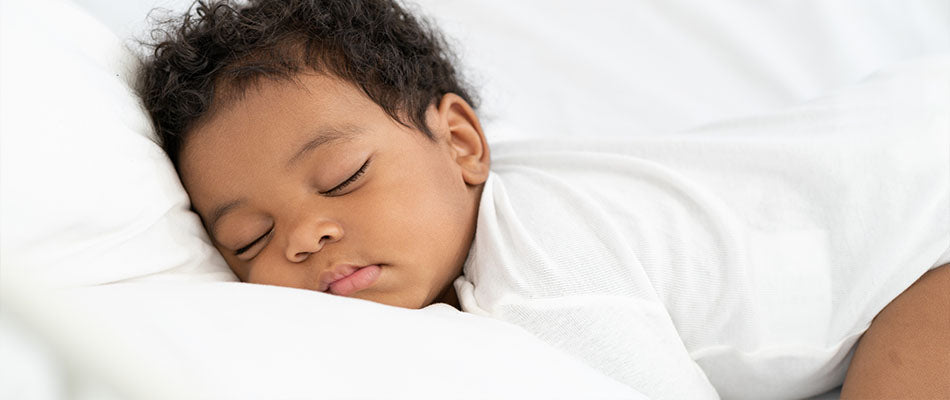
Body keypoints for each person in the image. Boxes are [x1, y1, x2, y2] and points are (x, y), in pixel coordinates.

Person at [137, 0, 950, 398]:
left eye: (343, 176)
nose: (306, 236)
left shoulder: (542, 258)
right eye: (249, 239)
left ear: (462, 145)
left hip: (923, 234)